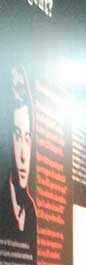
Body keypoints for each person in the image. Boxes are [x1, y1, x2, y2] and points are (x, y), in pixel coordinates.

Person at [1, 65, 36, 238]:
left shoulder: (30, 211)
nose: (23, 156)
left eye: (27, 139)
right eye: (17, 137)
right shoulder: (3, 204)